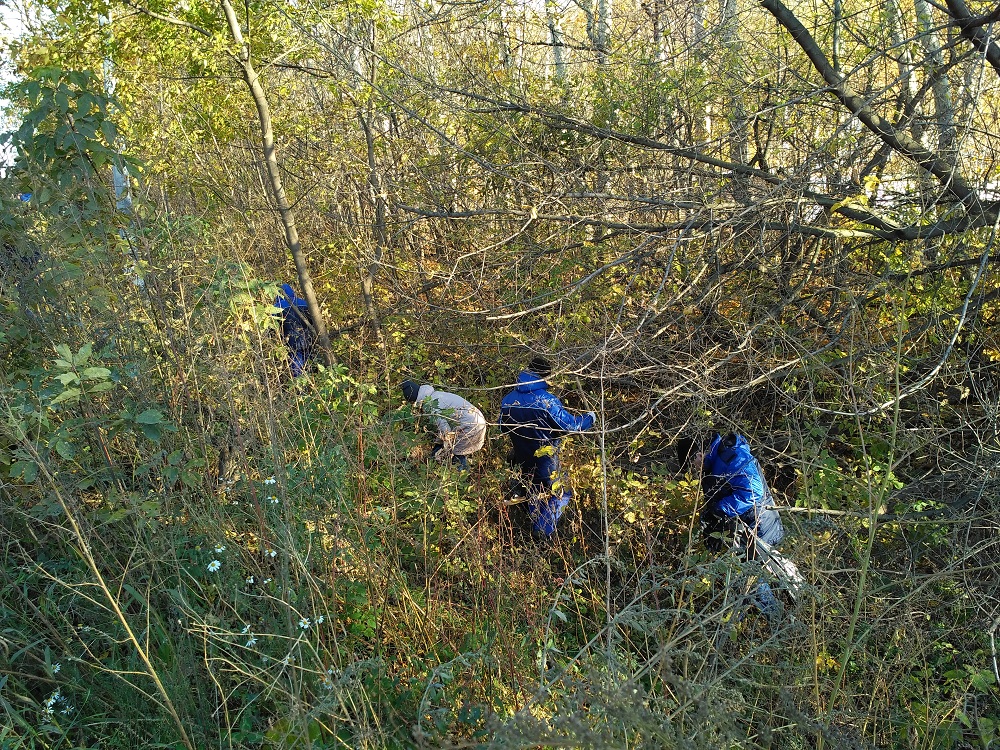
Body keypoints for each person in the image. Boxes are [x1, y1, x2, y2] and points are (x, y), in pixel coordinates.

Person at [678, 432, 803, 626]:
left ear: (698, 454)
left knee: (749, 578)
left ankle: (779, 622)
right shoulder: (713, 464)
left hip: (759, 527)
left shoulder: (733, 457)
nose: (693, 469)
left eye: (691, 463)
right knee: (745, 574)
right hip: (744, 529)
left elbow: (752, 494)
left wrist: (720, 511)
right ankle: (746, 621)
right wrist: (710, 523)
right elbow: (717, 498)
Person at [498, 356, 596, 536]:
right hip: (545, 460)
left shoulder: (508, 400)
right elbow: (571, 426)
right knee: (561, 492)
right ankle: (541, 533)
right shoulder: (546, 401)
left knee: (534, 491)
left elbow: (502, 427)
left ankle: (529, 532)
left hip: (520, 458)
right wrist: (590, 418)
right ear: (545, 376)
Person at [401, 380, 487, 471]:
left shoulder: (432, 407)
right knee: (457, 450)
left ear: (415, 399)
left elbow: (445, 431)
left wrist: (441, 449)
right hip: (478, 419)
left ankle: (460, 476)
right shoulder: (436, 395)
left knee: (458, 454)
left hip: (470, 425)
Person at [274, 283, 316, 376]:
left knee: (297, 366)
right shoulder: (305, 303)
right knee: (309, 363)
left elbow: (271, 327)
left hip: (291, 342)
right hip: (308, 339)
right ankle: (313, 383)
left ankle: (301, 387)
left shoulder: (276, 308)